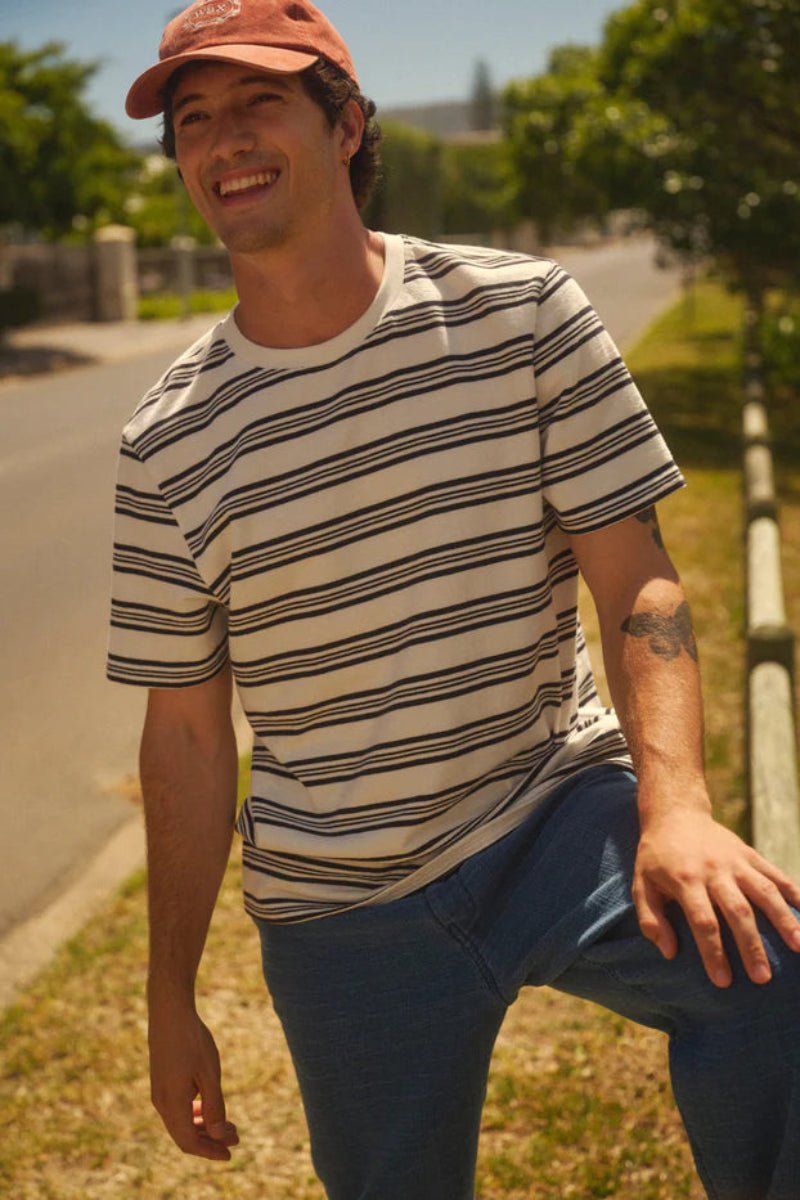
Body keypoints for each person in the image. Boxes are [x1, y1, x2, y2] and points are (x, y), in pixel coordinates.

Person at [108, 2, 800, 1196]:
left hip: (551, 814)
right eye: (193, 120)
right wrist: (169, 999)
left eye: (260, 102)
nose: (223, 141)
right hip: (341, 909)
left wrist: (675, 808)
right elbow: (181, 731)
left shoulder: (520, 312)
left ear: (348, 126)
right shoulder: (168, 440)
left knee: (772, 980)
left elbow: (630, 571)